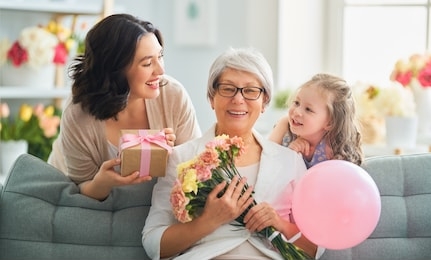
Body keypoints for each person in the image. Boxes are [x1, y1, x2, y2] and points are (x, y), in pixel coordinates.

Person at [142, 47, 324, 259]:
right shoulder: (181, 157)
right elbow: (154, 243)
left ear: (264, 102)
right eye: (228, 89)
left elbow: (315, 248)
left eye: (250, 91)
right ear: (211, 98)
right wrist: (208, 221)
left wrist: (280, 224)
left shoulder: (289, 161)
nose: (238, 99)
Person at [48, 14, 202, 200]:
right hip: (87, 199)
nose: (160, 71)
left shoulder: (173, 96)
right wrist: (102, 182)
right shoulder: (78, 114)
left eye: (160, 57)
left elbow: (196, 171)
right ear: (115, 70)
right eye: (147, 63)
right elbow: (81, 189)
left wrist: (173, 157)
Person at [269, 73, 363, 168]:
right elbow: (266, 163)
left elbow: (331, 182)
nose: (297, 111)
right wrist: (290, 154)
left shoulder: (334, 152)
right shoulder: (284, 125)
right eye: (297, 103)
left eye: (308, 109)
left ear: (330, 122)